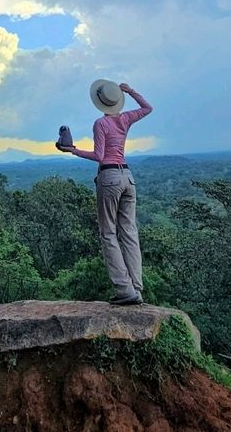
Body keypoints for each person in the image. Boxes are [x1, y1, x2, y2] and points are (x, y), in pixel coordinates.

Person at [57, 80, 152, 305]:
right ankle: (136, 289)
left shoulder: (101, 124)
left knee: (108, 233)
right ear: (117, 100)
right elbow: (148, 108)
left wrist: (73, 150)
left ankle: (124, 289)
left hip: (109, 177)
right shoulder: (126, 119)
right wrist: (130, 91)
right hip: (128, 177)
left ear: (99, 103)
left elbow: (100, 156)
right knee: (129, 232)